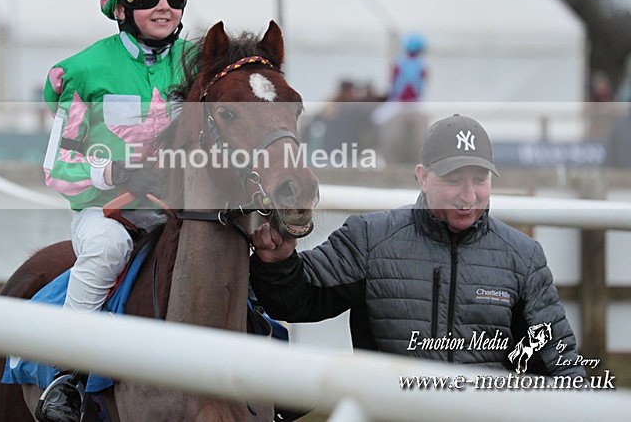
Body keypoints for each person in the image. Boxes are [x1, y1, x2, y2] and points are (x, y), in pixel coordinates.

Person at [250, 114, 586, 380]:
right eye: (454, 180)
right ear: (423, 177)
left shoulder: (523, 257)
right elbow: (298, 299)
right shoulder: (370, 238)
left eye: (480, 180)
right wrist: (279, 262)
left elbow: (561, 365)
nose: (468, 196)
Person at [34, 0, 199, 422]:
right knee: (106, 249)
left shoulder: (195, 65)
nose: (166, 5)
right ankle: (66, 377)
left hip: (178, 207)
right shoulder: (84, 70)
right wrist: (113, 169)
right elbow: (56, 165)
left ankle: (269, 347)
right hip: (106, 211)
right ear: (122, 3)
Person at [377, 32, 429, 164]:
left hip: (398, 103)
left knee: (376, 119)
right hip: (415, 104)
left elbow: (392, 84)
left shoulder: (398, 63)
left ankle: (375, 151)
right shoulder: (423, 65)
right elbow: (422, 87)